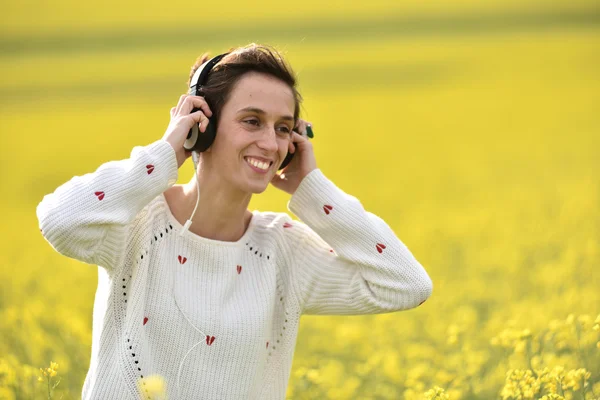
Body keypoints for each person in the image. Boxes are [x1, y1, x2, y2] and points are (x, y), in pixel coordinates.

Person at [36, 43, 433, 400]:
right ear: (200, 127)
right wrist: (166, 152)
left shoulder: (282, 250)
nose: (271, 143)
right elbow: (59, 219)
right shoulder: (137, 222)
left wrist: (311, 189)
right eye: (252, 121)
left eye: (283, 129)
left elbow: (406, 284)